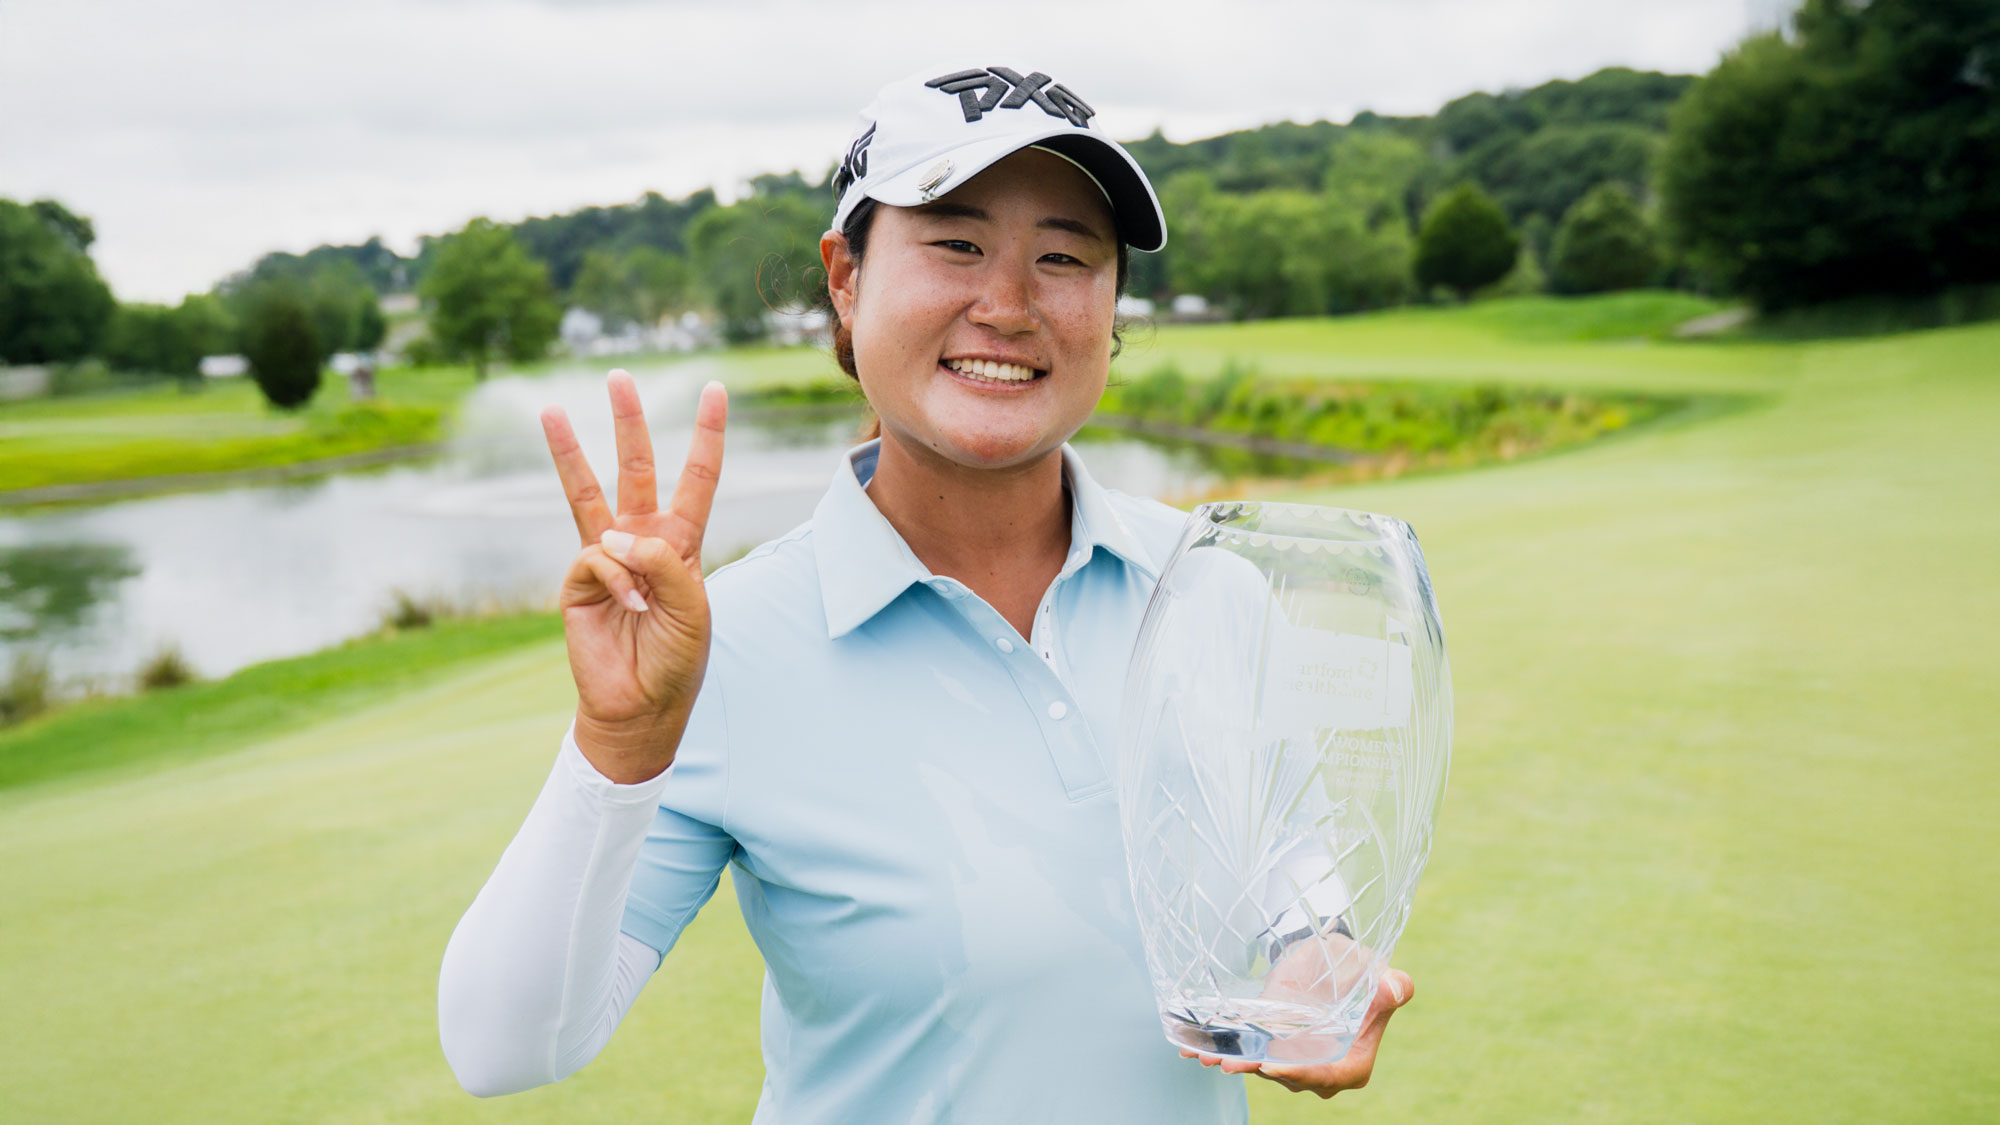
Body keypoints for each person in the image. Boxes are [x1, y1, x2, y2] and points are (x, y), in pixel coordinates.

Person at [437, 63, 1413, 1122]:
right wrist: (619, 746)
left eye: (1063, 256)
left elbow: (1287, 855)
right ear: (844, 279)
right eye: (954, 244)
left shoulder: (1208, 581)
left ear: (1112, 304)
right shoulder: (725, 644)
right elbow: (503, 1046)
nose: (1007, 304)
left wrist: (1315, 948)